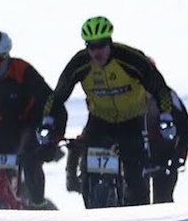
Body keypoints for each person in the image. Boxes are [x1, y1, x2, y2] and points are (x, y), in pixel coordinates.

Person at [37, 16, 175, 207]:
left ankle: (142, 217)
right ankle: (91, 199)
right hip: (100, 118)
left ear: (109, 42)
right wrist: (47, 121)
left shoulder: (130, 58)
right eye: (91, 47)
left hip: (132, 118)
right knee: (86, 164)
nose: (96, 52)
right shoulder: (81, 63)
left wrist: (166, 116)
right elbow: (58, 95)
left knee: (135, 174)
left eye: (101, 45)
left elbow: (160, 88)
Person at [0, 30, 55, 209]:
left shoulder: (23, 70)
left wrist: (50, 132)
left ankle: (39, 204)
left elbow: (49, 99)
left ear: (8, 56)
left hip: (22, 125)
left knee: (29, 154)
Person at [144, 84, 188, 203]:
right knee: (134, 202)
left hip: (164, 157)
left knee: (163, 201)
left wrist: (179, 156)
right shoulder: (124, 93)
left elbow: (185, 131)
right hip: (134, 156)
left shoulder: (168, 96)